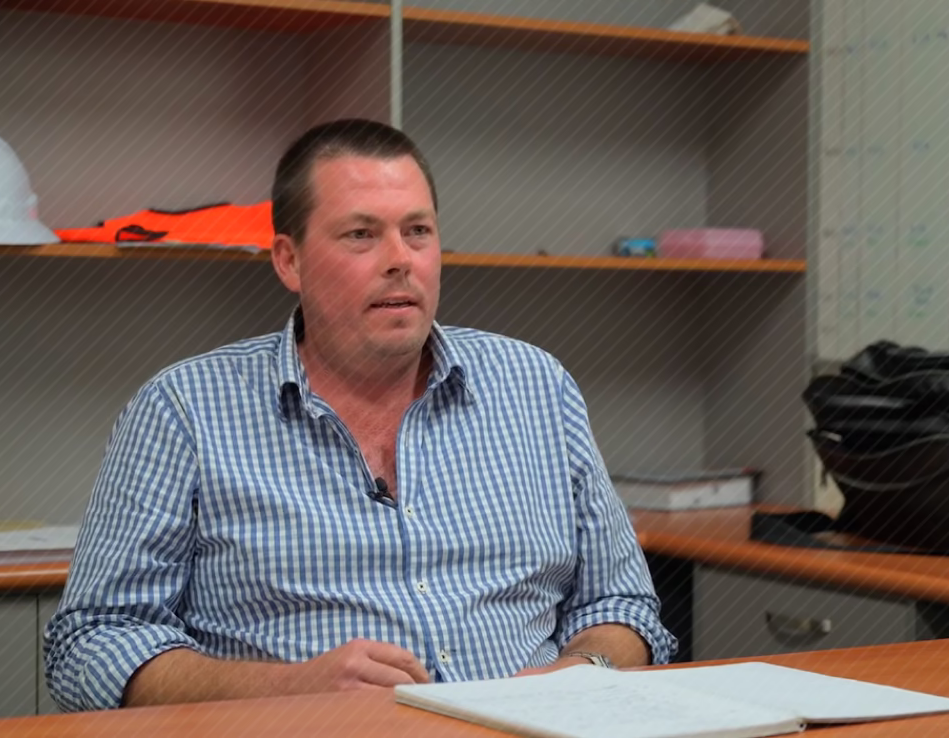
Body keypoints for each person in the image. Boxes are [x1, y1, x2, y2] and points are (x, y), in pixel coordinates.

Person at [44, 119, 677, 712]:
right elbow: (90, 643)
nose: (400, 258)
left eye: (418, 231)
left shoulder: (538, 387)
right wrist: (289, 689)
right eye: (361, 235)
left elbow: (622, 602)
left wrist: (585, 666)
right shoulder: (183, 411)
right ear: (288, 260)